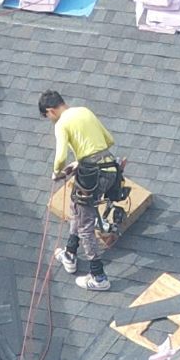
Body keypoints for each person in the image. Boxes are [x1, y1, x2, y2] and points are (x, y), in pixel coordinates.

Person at [39, 91, 124, 291]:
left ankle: (99, 277)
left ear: (50, 111)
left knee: (85, 226)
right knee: (76, 207)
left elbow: (60, 157)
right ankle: (70, 253)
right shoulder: (84, 111)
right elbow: (109, 140)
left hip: (92, 176)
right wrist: (79, 161)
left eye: (48, 117)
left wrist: (57, 172)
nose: (50, 120)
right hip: (110, 170)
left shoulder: (61, 124)